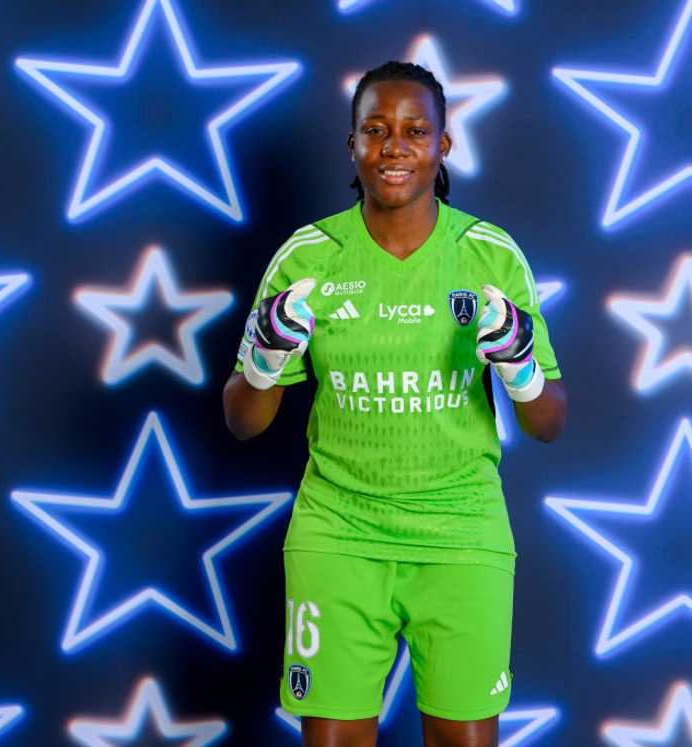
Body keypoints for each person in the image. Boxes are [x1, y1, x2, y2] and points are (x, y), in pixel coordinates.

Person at [223, 60, 566, 747]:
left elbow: (549, 420)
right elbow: (242, 418)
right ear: (351, 144)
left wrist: (522, 369)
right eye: (375, 129)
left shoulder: (488, 255)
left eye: (415, 130)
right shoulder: (308, 258)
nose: (394, 146)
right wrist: (263, 357)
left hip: (461, 532)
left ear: (444, 145)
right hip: (339, 529)